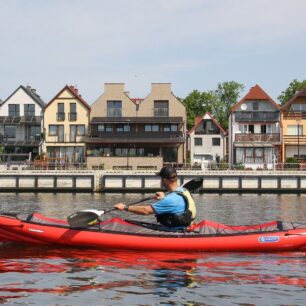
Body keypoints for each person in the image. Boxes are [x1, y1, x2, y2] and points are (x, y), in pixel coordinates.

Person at [114, 166, 197, 227]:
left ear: (164, 180)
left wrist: (125, 207)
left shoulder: (170, 200)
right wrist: (163, 197)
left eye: (161, 178)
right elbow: (176, 202)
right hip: (187, 226)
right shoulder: (184, 190)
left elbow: (146, 211)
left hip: (176, 232)